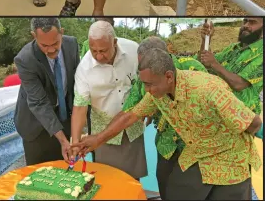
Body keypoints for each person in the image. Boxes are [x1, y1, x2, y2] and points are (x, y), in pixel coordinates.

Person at [73, 48, 262, 200]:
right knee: (175, 193)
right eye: (144, 84)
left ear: (169, 76)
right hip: (196, 154)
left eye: (150, 84)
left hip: (230, 162)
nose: (147, 90)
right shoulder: (157, 94)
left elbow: (254, 123)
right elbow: (130, 115)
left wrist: (231, 144)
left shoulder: (208, 90)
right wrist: (97, 139)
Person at [121, 37, 207, 200]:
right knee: (165, 187)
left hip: (195, 148)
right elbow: (129, 112)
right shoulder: (144, 77)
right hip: (166, 146)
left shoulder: (192, 69)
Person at [71, 21, 146, 180]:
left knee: (132, 180)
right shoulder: (84, 70)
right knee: (107, 180)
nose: (99, 56)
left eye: (103, 51)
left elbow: (145, 80)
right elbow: (80, 108)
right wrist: (76, 143)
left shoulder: (134, 50)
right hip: (104, 133)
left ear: (115, 42)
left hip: (133, 127)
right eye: (94, 51)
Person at [13, 17, 80, 165]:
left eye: (55, 43)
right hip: (35, 125)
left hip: (64, 119)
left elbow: (77, 87)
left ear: (61, 33)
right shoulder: (25, 59)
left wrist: (76, 135)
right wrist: (63, 140)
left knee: (65, 170)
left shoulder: (72, 45)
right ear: (34, 36)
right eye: (44, 45)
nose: (51, 50)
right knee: (38, 176)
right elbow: (39, 103)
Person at [199, 17, 263, 114]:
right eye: (245, 21)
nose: (246, 25)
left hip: (241, 115)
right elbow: (206, 63)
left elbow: (239, 84)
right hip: (216, 108)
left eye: (252, 22)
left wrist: (214, 63)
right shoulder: (233, 48)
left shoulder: (261, 54)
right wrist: (206, 40)